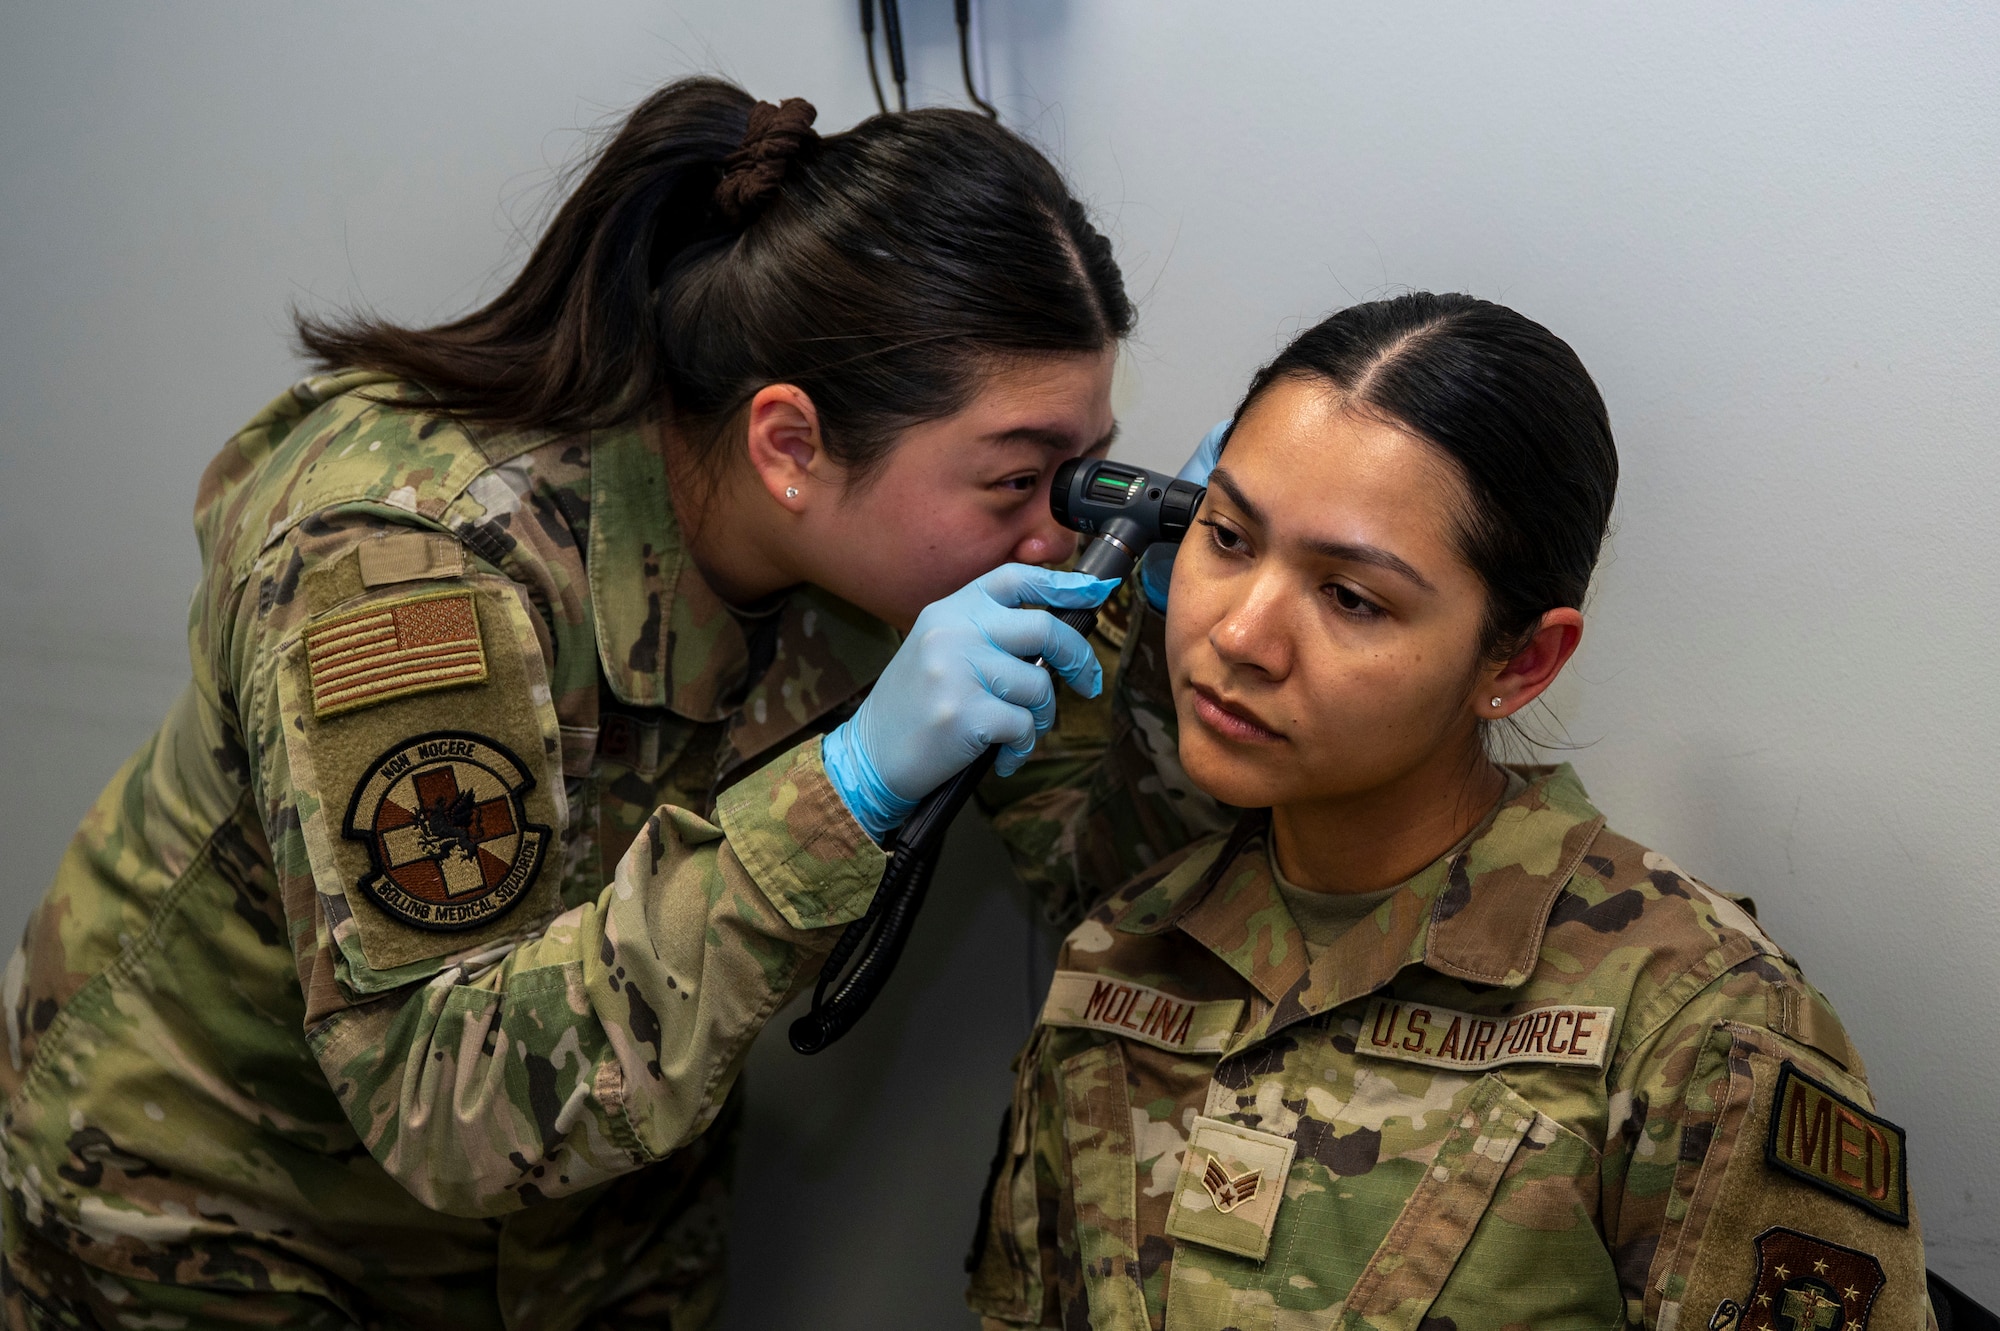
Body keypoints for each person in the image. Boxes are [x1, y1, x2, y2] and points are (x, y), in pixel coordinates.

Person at [0, 80, 1224, 1330]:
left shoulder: (921, 557)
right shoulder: (410, 564)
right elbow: (441, 1101)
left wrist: (1185, 653)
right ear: (790, 446)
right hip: (231, 1227)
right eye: (1020, 476)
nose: (1051, 530)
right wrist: (844, 790)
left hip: (598, 1231)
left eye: (1078, 473)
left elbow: (1109, 881)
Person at [966, 293, 1934, 1330]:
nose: (1241, 632)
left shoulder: (1691, 1029)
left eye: (1350, 597)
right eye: (1227, 535)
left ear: (1520, 659)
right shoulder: (1120, 954)